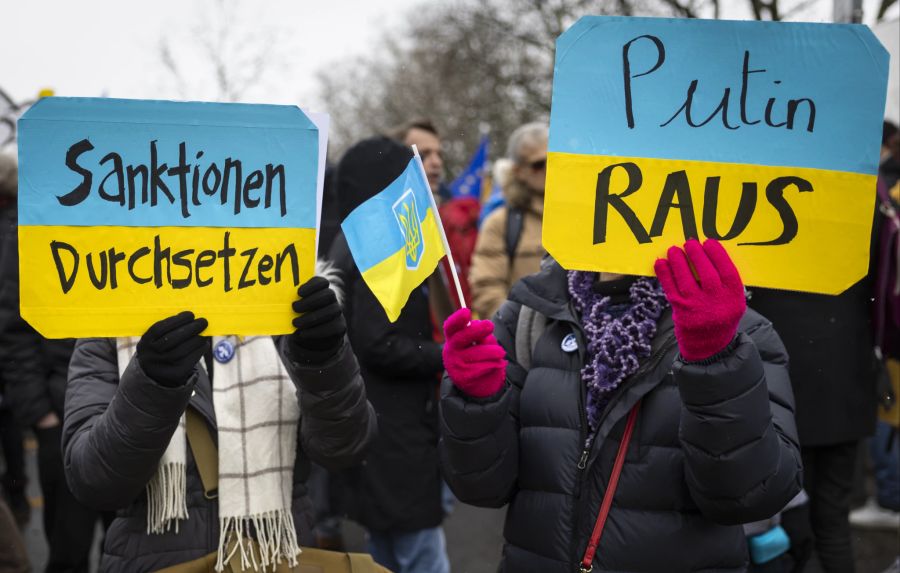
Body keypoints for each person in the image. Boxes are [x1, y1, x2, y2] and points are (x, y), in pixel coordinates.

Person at [440, 239, 803, 572]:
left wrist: (717, 361)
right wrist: (479, 403)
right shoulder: (530, 317)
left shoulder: (738, 330)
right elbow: (482, 488)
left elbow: (752, 496)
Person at [62, 270, 376, 572]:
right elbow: (94, 480)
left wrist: (324, 362)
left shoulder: (288, 303)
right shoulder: (108, 319)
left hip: (278, 559)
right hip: (157, 562)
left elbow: (345, 447)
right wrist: (151, 384)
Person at [332, 137, 450, 573]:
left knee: (384, 553)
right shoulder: (380, 247)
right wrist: (445, 355)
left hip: (376, 425)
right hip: (395, 432)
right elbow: (378, 342)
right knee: (421, 555)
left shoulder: (353, 241)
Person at [0, 151, 104, 572]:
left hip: (134, 416)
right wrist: (40, 414)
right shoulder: (34, 225)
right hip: (60, 420)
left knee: (132, 546)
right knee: (67, 548)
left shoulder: (136, 225)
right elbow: (12, 326)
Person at [469, 122, 547, 319]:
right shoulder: (499, 223)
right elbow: (487, 288)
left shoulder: (584, 216)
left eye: (555, 160)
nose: (549, 168)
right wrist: (520, 332)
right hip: (528, 343)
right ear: (518, 170)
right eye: (539, 164)